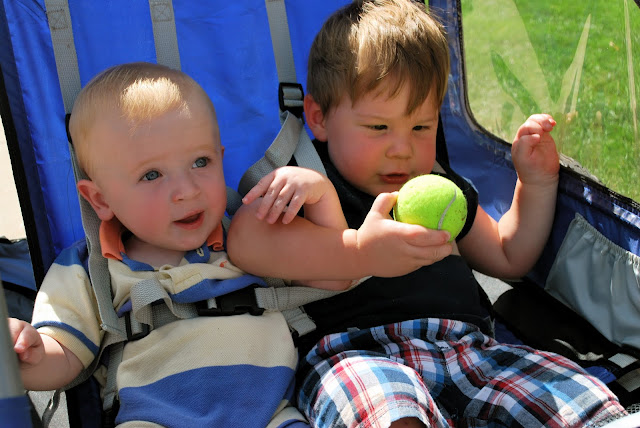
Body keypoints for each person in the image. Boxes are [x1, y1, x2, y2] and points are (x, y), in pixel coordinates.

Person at [229, 0, 628, 427]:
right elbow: (245, 242)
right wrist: (360, 251)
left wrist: (536, 183)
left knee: (576, 398)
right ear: (319, 117)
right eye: (379, 127)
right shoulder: (309, 180)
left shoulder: (439, 187)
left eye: (421, 127)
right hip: (357, 354)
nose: (403, 148)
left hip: (471, 349)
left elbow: (509, 255)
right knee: (388, 413)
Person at [7, 62, 367, 427]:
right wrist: (29, 356)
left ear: (221, 159)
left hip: (272, 415)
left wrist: (321, 195)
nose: (187, 190)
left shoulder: (250, 235)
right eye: (151, 175)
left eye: (200, 162)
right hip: (154, 418)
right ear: (100, 200)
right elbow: (66, 356)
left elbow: (335, 276)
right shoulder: (91, 269)